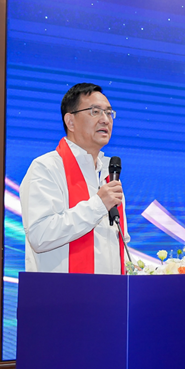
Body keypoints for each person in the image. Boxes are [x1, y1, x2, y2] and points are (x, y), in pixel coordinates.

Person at [19, 83, 128, 273]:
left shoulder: (108, 175)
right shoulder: (46, 167)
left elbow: (118, 242)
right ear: (70, 121)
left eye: (109, 113)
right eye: (95, 112)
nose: (105, 120)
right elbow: (40, 235)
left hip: (109, 290)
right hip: (61, 290)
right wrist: (98, 205)